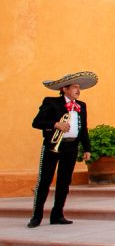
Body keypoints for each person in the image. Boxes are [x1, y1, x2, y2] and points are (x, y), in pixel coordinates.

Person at [29, 71, 97, 228]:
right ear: (65, 89)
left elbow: (83, 128)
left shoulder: (82, 106)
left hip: (71, 147)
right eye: (74, 87)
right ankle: (36, 216)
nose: (78, 90)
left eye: (78, 87)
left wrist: (87, 148)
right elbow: (37, 122)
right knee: (45, 180)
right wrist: (55, 124)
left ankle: (57, 214)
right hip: (53, 146)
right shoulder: (51, 102)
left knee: (64, 182)